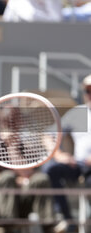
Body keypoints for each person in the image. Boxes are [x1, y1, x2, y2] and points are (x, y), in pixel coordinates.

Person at [41, 75, 91, 229]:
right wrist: (59, 155)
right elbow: (48, 135)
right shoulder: (79, 113)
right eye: (88, 90)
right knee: (51, 169)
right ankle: (67, 220)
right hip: (79, 164)